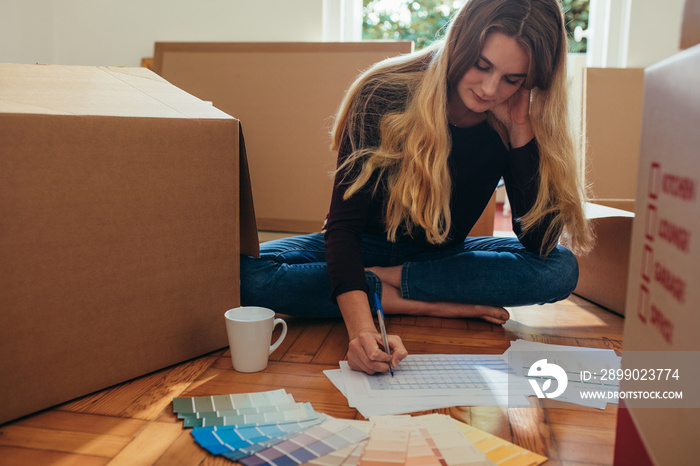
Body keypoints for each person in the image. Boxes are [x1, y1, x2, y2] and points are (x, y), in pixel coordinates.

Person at [241, 0, 592, 375]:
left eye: (513, 79)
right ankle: (414, 301)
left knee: (560, 268)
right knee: (245, 277)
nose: (491, 89)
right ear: (461, 44)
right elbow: (342, 228)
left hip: (444, 259)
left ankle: (391, 286)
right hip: (363, 247)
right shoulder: (384, 91)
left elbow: (538, 243)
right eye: (482, 65)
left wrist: (521, 129)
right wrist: (362, 328)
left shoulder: (514, 117)